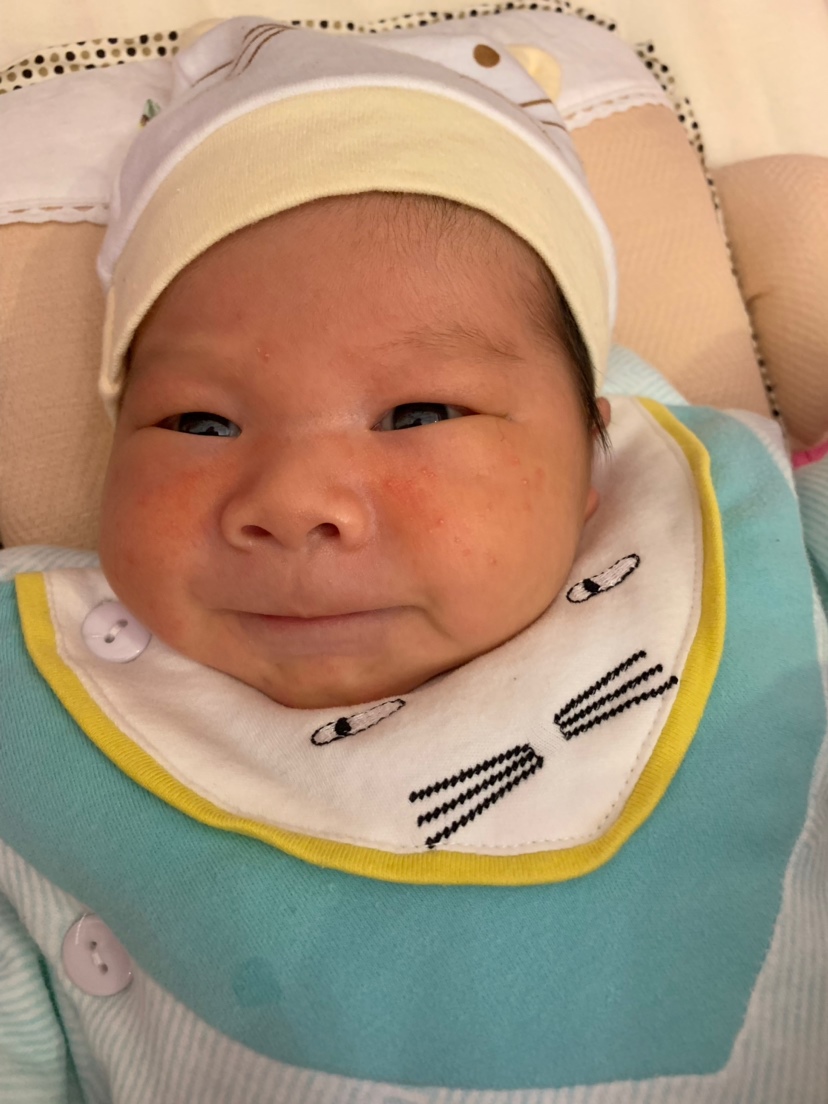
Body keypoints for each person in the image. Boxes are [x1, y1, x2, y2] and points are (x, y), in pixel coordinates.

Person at [1, 17, 826, 1103]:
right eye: (199, 422)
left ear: (590, 445)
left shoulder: (731, 517)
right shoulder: (32, 706)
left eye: (418, 413)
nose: (291, 503)